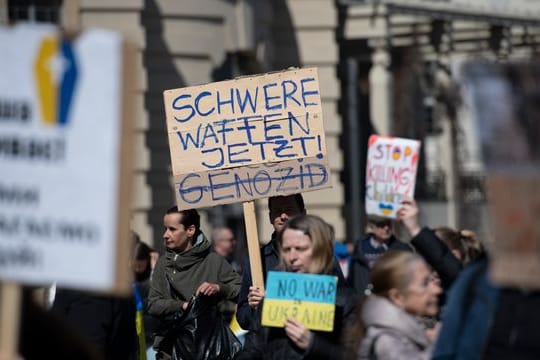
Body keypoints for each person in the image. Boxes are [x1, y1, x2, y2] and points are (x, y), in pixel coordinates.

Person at [249, 214, 358, 359]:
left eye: (300, 249)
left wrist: (313, 344)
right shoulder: (272, 299)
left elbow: (355, 356)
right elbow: (253, 349)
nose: (292, 257)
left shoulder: (345, 302)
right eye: (287, 249)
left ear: (320, 250)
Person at [147, 207, 241, 359]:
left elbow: (241, 290)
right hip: (170, 350)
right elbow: (153, 304)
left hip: (208, 349)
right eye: (165, 229)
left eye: (172, 229)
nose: (165, 235)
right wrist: (183, 306)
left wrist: (219, 288)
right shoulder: (163, 264)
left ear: (190, 230)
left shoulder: (214, 261)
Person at [236, 194, 307, 357]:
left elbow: (334, 308)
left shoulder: (321, 256)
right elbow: (243, 319)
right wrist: (255, 307)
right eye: (277, 211)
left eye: (289, 210)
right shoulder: (256, 260)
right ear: (270, 217)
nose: (283, 216)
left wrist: (269, 302)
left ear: (303, 213)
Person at [352, 251, 441, 360]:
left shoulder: (399, 332)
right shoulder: (387, 342)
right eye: (424, 283)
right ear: (398, 297)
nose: (437, 290)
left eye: (433, 280)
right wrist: (441, 343)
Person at [349, 215, 412, 295]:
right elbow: (352, 277)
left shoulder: (402, 249)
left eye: (389, 224)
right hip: (364, 301)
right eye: (381, 225)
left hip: (390, 300)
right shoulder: (360, 247)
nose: (386, 228)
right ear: (371, 227)